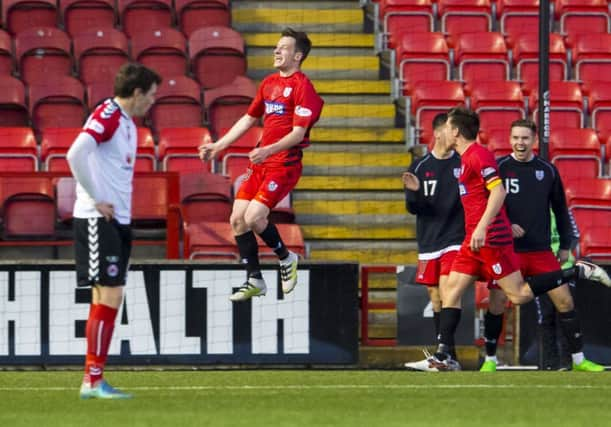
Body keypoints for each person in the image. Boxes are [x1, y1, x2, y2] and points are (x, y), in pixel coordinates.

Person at [405, 107, 611, 371]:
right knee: (451, 292)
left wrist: (481, 228)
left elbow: (498, 191)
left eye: (446, 127)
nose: (442, 132)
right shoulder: (465, 157)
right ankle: (443, 356)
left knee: (520, 296)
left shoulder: (479, 156)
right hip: (472, 240)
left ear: (455, 131)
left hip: (491, 239)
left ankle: (577, 272)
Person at [199, 28, 324, 302]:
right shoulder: (268, 83)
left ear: (298, 55)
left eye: (284, 48)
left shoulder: (304, 87)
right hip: (262, 162)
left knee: (254, 217)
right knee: (236, 219)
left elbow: (298, 134)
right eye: (276, 47)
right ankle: (254, 279)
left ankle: (286, 258)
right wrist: (220, 145)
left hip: (284, 163)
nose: (276, 51)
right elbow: (248, 118)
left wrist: (267, 149)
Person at [67, 63, 161, 398]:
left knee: (105, 296)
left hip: (118, 219)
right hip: (97, 218)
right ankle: (93, 380)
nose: (152, 102)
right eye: (150, 96)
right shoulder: (107, 115)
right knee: (110, 294)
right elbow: (75, 153)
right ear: (136, 93)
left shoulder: (126, 123)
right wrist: (97, 197)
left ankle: (93, 379)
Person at [479, 119, 603, 372]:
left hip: (540, 251)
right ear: (510, 139)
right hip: (507, 250)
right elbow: (484, 207)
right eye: (515, 138)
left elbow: (560, 207)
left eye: (524, 138)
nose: (519, 143)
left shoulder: (547, 170)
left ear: (534, 140)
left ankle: (579, 360)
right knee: (497, 303)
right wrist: (506, 224)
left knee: (565, 302)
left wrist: (566, 244)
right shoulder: (499, 168)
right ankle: (490, 359)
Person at [402, 113, 464, 350]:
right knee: (435, 296)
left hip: (456, 238)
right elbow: (413, 208)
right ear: (438, 133)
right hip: (429, 240)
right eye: (451, 130)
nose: (455, 135)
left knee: (449, 290)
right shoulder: (419, 166)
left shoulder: (462, 163)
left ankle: (444, 351)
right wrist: (416, 193)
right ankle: (446, 350)